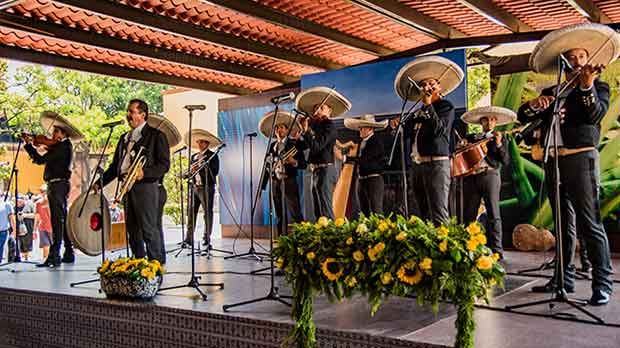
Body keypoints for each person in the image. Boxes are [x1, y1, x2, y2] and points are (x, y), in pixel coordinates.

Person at [519, 23, 617, 305]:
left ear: (587, 58)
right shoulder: (554, 89)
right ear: (564, 61)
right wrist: (535, 105)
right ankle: (563, 279)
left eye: (580, 56)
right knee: (563, 225)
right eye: (571, 57)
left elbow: (594, 115)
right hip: (555, 161)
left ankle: (602, 284)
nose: (576, 61)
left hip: (581, 158)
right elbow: (523, 116)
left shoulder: (598, 85)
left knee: (590, 223)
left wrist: (586, 86)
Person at [99, 99, 170, 264]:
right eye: (128, 111)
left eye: (132, 111)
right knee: (132, 231)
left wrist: (144, 172)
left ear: (142, 114)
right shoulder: (125, 138)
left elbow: (164, 165)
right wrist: (99, 183)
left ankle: (156, 266)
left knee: (149, 230)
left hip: (146, 187)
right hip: (128, 188)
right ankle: (138, 266)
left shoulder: (156, 136)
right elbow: (116, 166)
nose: (128, 115)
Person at [397, 56, 464, 225]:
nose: (426, 87)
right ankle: (428, 250)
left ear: (438, 87)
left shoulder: (445, 106)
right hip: (418, 164)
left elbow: (439, 130)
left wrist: (428, 106)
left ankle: (444, 249)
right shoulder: (417, 112)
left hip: (436, 164)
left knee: (439, 212)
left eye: (430, 83)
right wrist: (397, 125)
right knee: (422, 211)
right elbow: (406, 134)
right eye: (423, 85)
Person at [23, 111, 82, 267]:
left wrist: (29, 146)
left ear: (63, 135)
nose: (52, 135)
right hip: (57, 185)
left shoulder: (63, 147)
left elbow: (40, 160)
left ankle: (54, 256)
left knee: (57, 219)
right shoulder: (59, 147)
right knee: (61, 218)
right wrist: (38, 143)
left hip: (58, 186)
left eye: (56, 131)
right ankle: (68, 252)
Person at [459, 107, 515, 258]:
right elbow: (462, 155)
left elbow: (506, 160)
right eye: (486, 119)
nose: (489, 122)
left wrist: (498, 144)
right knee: (469, 214)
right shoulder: (472, 137)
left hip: (490, 176)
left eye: (492, 119)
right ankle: (467, 247)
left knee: (494, 213)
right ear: (481, 122)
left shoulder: (501, 138)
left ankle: (498, 250)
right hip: (473, 177)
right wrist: (462, 146)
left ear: (495, 122)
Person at [297, 87, 351, 220]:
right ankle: (321, 237)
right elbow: (302, 146)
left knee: (325, 208)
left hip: (325, 169)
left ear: (330, 110)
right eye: (316, 107)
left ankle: (332, 238)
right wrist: (301, 132)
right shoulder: (315, 125)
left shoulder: (329, 126)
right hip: (316, 170)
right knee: (317, 208)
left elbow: (316, 147)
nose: (318, 110)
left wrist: (307, 132)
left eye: (322, 107)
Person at [259, 111, 306, 236]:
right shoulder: (272, 145)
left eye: (281, 128)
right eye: (277, 128)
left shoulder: (294, 144)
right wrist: (262, 186)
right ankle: (281, 238)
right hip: (275, 182)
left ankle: (302, 237)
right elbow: (267, 166)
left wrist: (294, 161)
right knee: (279, 212)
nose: (279, 130)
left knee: (295, 210)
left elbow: (303, 164)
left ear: (286, 130)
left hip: (289, 180)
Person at [183, 129, 220, 249]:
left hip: (206, 188)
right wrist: (187, 174)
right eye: (198, 142)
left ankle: (206, 238)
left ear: (207, 144)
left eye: (202, 142)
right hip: (195, 187)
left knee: (207, 213)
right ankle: (188, 239)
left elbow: (215, 172)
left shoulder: (212, 156)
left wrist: (200, 169)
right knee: (191, 213)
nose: (199, 144)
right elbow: (190, 171)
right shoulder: (194, 156)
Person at [344, 115, 388, 216]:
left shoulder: (376, 141)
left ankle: (379, 231)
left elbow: (364, 159)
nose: (359, 130)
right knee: (364, 210)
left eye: (362, 128)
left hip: (374, 180)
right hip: (362, 180)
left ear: (370, 128)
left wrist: (345, 158)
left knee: (376, 210)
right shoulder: (361, 143)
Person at [34, 185, 53, 260]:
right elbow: (37, 217)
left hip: (51, 227)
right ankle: (46, 260)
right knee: (46, 246)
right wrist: (34, 230)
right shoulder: (39, 203)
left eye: (43, 191)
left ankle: (48, 260)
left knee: (50, 246)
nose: (42, 193)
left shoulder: (52, 202)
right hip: (43, 227)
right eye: (41, 191)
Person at [0, 195, 15, 264]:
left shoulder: (7, 205)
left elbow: (11, 219)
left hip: (3, 231)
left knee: (0, 248)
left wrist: (14, 231)